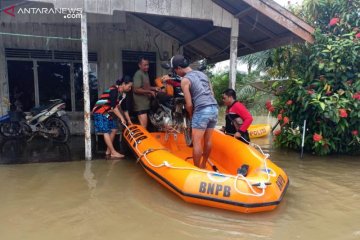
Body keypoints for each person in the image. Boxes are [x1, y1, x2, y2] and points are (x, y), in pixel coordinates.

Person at [169, 54, 218, 169]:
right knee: (208, 140)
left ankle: (197, 170)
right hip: (214, 108)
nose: (176, 73)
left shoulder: (185, 80)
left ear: (179, 68)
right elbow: (212, 94)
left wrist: (191, 115)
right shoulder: (204, 75)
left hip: (202, 110)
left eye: (176, 70)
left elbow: (189, 104)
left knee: (196, 142)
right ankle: (203, 164)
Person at [92, 78, 133, 158]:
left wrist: (129, 121)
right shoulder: (114, 90)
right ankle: (113, 152)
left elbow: (124, 109)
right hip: (99, 111)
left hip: (106, 112)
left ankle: (109, 151)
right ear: (124, 84)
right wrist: (122, 118)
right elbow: (113, 107)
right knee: (106, 131)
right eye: (129, 86)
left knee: (114, 129)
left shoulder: (123, 94)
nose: (130, 88)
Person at [132, 56, 159, 128]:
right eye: (145, 65)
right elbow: (136, 89)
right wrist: (150, 92)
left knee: (146, 126)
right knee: (143, 128)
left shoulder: (146, 73)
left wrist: (155, 88)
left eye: (148, 65)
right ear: (139, 65)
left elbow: (146, 87)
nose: (147, 67)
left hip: (146, 104)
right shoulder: (138, 74)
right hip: (140, 106)